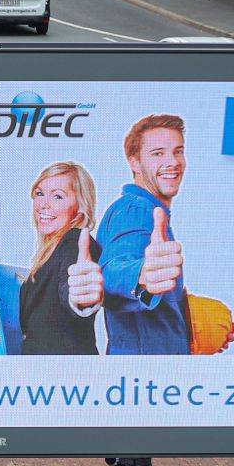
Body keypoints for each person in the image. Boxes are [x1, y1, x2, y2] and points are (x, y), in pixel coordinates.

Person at [94, 114, 200, 357]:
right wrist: (140, 274)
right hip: (146, 377)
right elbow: (111, 269)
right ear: (134, 162)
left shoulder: (148, 212)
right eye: (158, 153)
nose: (172, 162)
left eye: (178, 151)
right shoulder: (137, 209)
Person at [19, 162, 105, 356]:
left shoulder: (75, 242)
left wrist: (80, 299)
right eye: (39, 193)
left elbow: (72, 290)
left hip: (63, 375)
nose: (43, 205)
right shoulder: (52, 250)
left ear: (80, 207)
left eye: (58, 196)